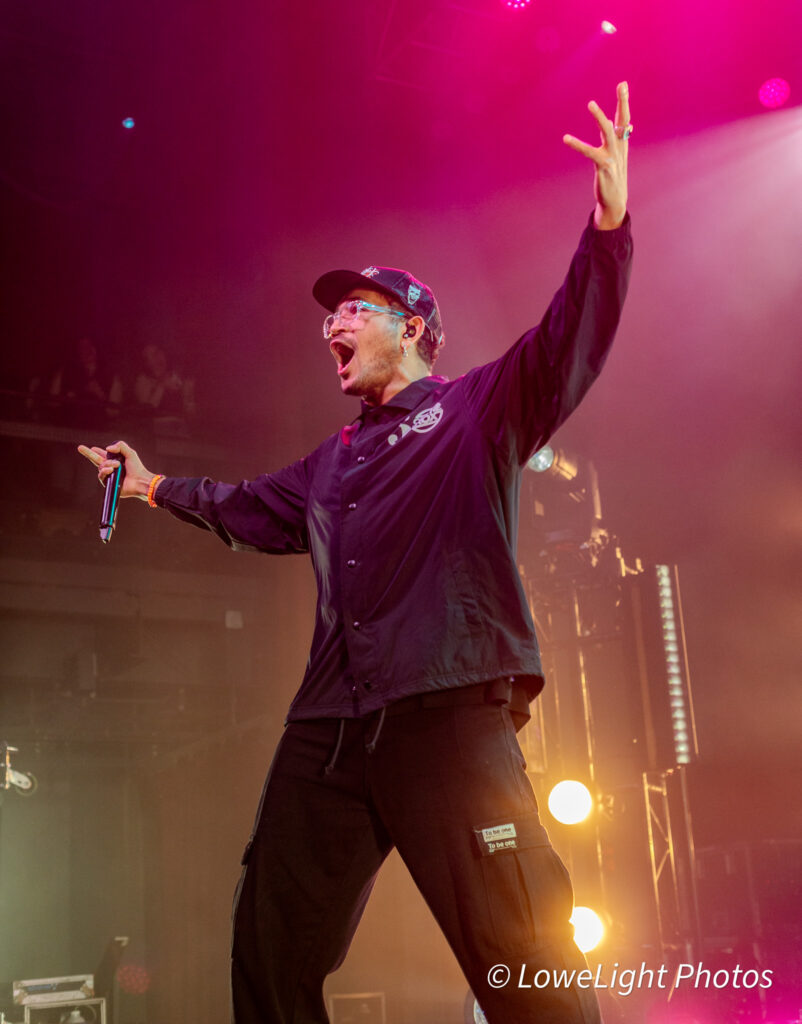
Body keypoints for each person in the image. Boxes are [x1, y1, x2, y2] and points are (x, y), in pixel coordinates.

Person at [79, 83, 634, 1024]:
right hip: (332, 726)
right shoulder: (329, 462)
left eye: (354, 311)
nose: (331, 326)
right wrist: (152, 486)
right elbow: (249, 508)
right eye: (329, 317)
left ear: (411, 327)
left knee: (521, 946)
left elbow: (565, 343)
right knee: (269, 943)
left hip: (447, 710)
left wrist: (608, 230)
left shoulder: (473, 410)